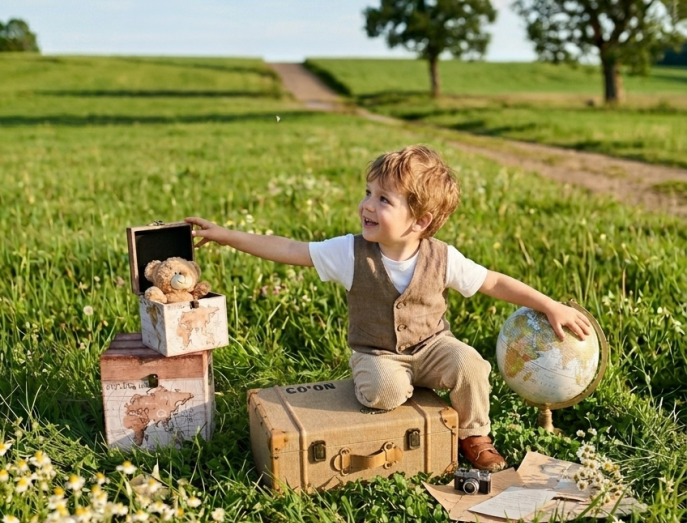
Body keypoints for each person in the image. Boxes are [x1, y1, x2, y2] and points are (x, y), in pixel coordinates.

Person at [187, 145, 590, 472]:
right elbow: (291, 249)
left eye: (383, 199)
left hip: (433, 346)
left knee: (470, 364)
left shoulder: (443, 258)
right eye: (367, 193)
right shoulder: (350, 252)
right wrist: (227, 235)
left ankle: (474, 435)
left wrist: (548, 304)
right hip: (377, 351)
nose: (367, 205)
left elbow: (494, 281)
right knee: (386, 391)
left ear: (419, 220)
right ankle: (403, 387)